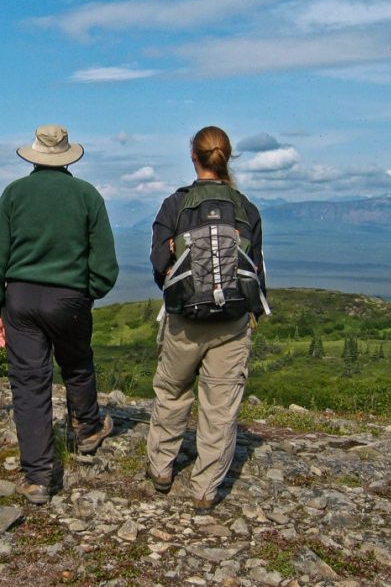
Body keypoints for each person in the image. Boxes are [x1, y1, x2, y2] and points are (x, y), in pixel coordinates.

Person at [0, 124, 119, 504]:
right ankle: (87, 430)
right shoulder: (88, 196)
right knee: (76, 362)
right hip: (70, 298)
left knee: (28, 383)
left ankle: (38, 477)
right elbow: (105, 265)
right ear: (68, 154)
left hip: (19, 299)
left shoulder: (13, 194)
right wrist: (87, 293)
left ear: (35, 154)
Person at [145, 126, 266, 511]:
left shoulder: (175, 205)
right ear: (226, 158)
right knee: (220, 408)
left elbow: (159, 266)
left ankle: (162, 469)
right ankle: (204, 490)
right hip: (232, 323)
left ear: (193, 156)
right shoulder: (246, 208)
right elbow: (256, 272)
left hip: (185, 321)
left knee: (171, 392)